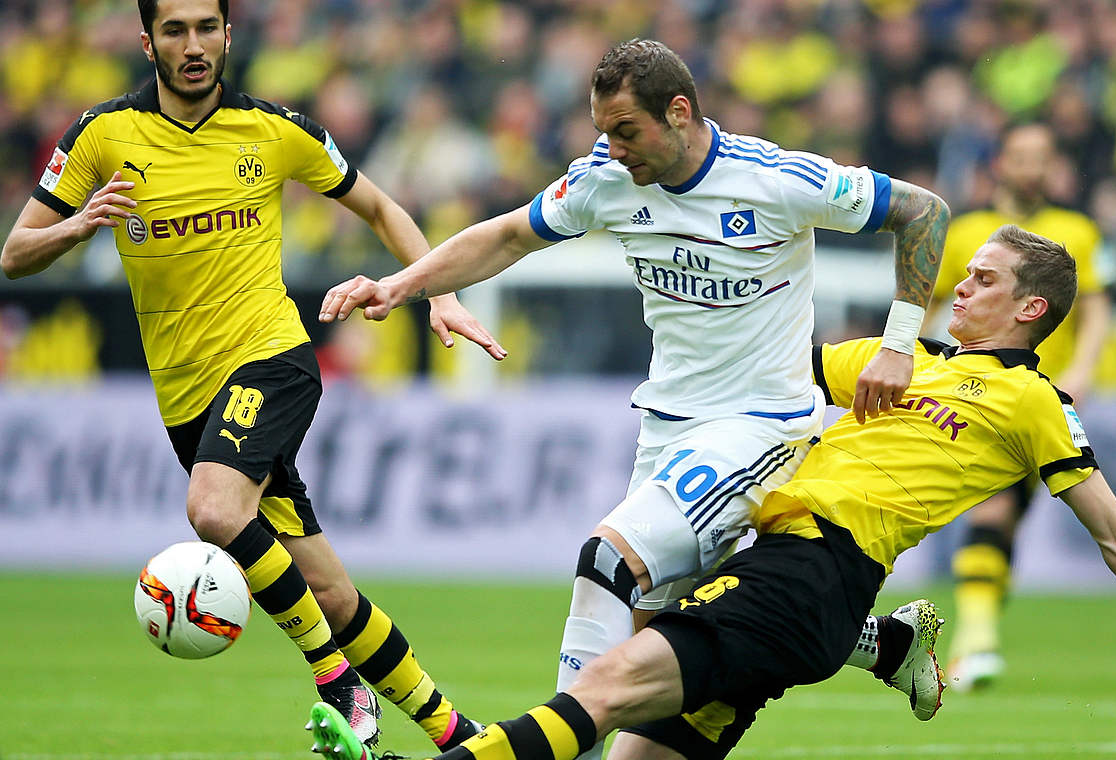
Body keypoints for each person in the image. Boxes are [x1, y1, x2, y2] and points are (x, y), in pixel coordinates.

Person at [305, 224, 1116, 760]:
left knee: (599, 689)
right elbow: (762, 381)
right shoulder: (891, 358)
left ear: (1029, 308)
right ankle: (886, 644)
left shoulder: (1032, 402)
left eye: (982, 279)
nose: (959, 286)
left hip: (810, 573)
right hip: (782, 575)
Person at [313, 38, 951, 757]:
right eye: (603, 132)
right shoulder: (607, 179)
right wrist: (402, 285)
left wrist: (899, 344)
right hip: (667, 431)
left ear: (679, 112)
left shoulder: (774, 179)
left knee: (607, 563)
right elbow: (510, 235)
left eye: (626, 131)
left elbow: (923, 212)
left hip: (761, 428)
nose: (613, 149)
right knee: (670, 647)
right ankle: (884, 643)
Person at [0, 0, 505, 752]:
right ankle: (461, 736)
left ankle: (335, 679)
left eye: (207, 27)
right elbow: (15, 253)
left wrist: (440, 291)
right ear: (148, 42)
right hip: (187, 400)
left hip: (272, 357)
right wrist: (76, 226)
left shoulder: (275, 128)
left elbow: (378, 204)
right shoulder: (103, 135)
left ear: (229, 35)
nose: (194, 45)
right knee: (330, 594)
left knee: (211, 507)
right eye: (175, 30)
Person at [925, 121, 1113, 691]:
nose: (1030, 167)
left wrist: (1082, 371)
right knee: (994, 512)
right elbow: (937, 304)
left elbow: (1099, 309)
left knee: (1000, 516)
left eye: (1041, 157)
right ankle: (975, 643)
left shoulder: (1076, 232)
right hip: (975, 389)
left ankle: (972, 641)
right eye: (1020, 156)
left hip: (1040, 395)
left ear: (1053, 166)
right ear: (999, 163)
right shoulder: (968, 232)